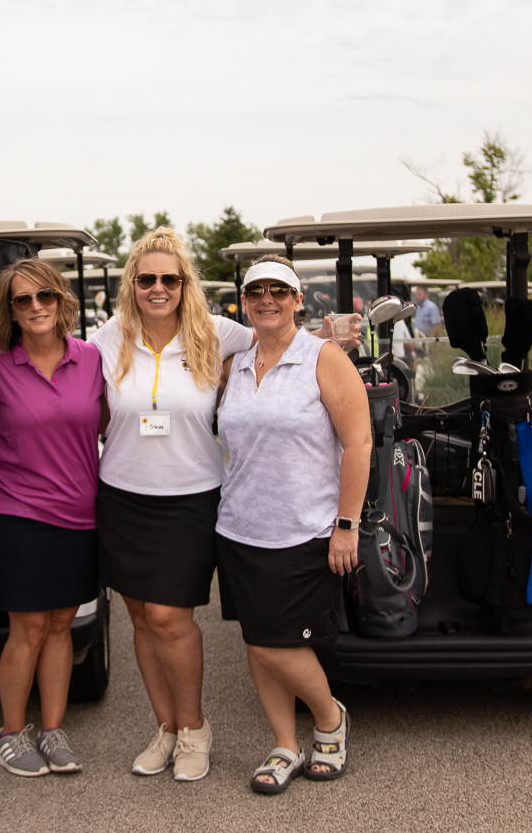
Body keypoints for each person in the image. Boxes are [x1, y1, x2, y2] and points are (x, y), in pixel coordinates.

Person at [88, 228, 355, 783]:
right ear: (131, 284)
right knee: (142, 620)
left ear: (185, 284)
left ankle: (194, 728)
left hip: (191, 497)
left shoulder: (216, 332)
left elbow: (281, 337)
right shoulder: (109, 337)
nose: (158, 288)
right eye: (146, 279)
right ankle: (165, 729)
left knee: (170, 618)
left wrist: (329, 336)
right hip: (122, 496)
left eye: (169, 278)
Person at [214, 255, 370, 794]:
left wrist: (346, 524)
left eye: (279, 291)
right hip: (238, 529)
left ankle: (329, 719)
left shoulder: (323, 357)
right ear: (244, 301)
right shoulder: (234, 363)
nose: (267, 300)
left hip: (303, 529)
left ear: (298, 299)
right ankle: (284, 744)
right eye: (256, 291)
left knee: (272, 644)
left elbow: (359, 443)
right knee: (257, 641)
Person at [0, 259, 106, 778]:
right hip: (18, 512)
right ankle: (10, 735)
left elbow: (112, 424)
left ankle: (52, 730)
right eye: (23, 300)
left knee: (61, 625)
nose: (35, 307)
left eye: (44, 296)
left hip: (80, 513)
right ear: (9, 310)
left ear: (61, 300)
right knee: (28, 627)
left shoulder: (90, 358)